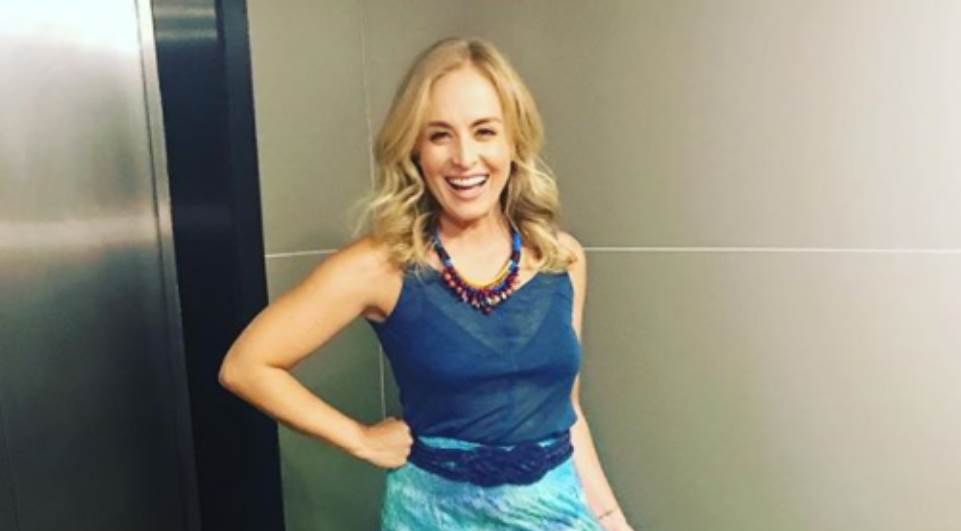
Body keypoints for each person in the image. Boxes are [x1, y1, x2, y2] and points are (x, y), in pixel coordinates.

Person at [219, 36, 634, 530]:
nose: (465, 157)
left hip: (555, 515)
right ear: (415, 148)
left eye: (484, 131)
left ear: (514, 141)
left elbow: (567, 408)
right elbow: (246, 365)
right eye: (440, 135)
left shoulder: (561, 259)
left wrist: (611, 518)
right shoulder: (382, 265)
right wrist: (361, 439)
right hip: (432, 518)